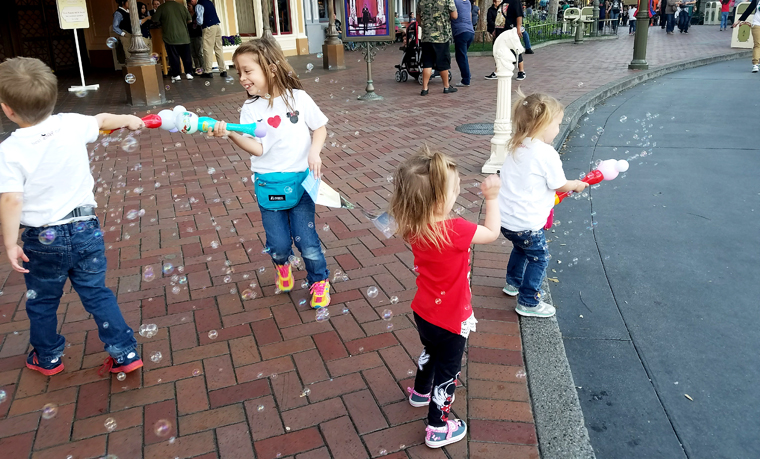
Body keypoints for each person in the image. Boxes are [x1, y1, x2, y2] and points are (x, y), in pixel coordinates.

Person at [0, 57, 145, 377]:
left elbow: (11, 199)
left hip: (42, 238)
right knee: (97, 292)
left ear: (7, 109)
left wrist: (10, 243)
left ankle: (48, 356)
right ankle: (125, 351)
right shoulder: (71, 122)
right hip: (84, 229)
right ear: (53, 98)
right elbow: (104, 118)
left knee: (42, 300)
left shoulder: (9, 150)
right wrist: (128, 119)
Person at [389, 147, 501, 448]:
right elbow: (492, 233)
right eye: (455, 188)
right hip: (451, 316)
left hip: (424, 312)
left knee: (430, 352)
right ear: (439, 200)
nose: (459, 190)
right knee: (448, 371)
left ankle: (419, 392)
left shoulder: (413, 226)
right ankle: (438, 426)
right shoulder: (456, 229)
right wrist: (491, 198)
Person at [207, 39, 332, 309]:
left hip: (300, 183)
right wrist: (230, 133)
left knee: (307, 241)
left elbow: (320, 127)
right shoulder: (251, 109)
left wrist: (315, 152)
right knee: (277, 245)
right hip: (268, 185)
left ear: (270, 69)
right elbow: (258, 148)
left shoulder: (298, 98)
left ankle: (319, 281)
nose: (242, 78)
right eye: (238, 71)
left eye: (247, 70)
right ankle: (282, 265)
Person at [499, 92, 589, 318]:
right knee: (540, 257)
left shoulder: (517, 145)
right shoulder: (546, 153)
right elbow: (559, 184)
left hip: (507, 220)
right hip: (527, 223)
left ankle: (513, 284)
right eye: (558, 124)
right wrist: (576, 185)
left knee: (521, 248)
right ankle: (528, 302)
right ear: (544, 124)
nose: (559, 129)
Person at [417, 0, 459, 96]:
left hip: (426, 37)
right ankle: (446, 86)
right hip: (441, 37)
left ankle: (424, 88)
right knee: (443, 63)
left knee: (427, 63)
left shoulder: (421, 1)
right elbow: (454, 16)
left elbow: (418, 19)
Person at [151, 0, 194, 83]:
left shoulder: (162, 7)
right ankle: (189, 73)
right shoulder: (181, 6)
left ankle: (176, 75)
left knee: (174, 57)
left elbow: (154, 19)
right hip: (184, 36)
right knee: (186, 56)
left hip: (170, 36)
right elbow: (189, 20)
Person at [485, 0, 525, 81]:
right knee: (499, 51)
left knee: (515, 49)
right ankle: (497, 71)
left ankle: (521, 71)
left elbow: (519, 15)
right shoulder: (503, 2)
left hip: (510, 29)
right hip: (500, 30)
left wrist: (518, 28)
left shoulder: (515, 2)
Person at [190, 0, 228, 78]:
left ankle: (208, 71)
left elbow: (200, 21)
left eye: (191, 2)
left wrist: (194, 22)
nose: (191, 3)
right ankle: (223, 70)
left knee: (207, 49)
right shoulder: (209, 2)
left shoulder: (199, 5)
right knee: (218, 49)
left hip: (208, 27)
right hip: (217, 26)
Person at [452, 0, 475, 87]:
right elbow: (469, 16)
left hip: (460, 32)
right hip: (470, 31)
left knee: (461, 57)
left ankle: (466, 79)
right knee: (463, 55)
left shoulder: (454, 2)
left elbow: (452, 15)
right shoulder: (468, 2)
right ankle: (467, 74)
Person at [734, 0, 760, 72]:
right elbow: (749, 10)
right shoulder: (757, 1)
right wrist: (738, 21)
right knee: (757, 44)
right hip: (757, 24)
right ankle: (755, 64)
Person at [188, 2, 204, 73]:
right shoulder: (187, 15)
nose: (188, 8)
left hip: (198, 35)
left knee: (199, 53)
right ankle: (197, 68)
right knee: (193, 53)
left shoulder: (196, 14)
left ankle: (203, 67)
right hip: (190, 35)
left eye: (189, 6)